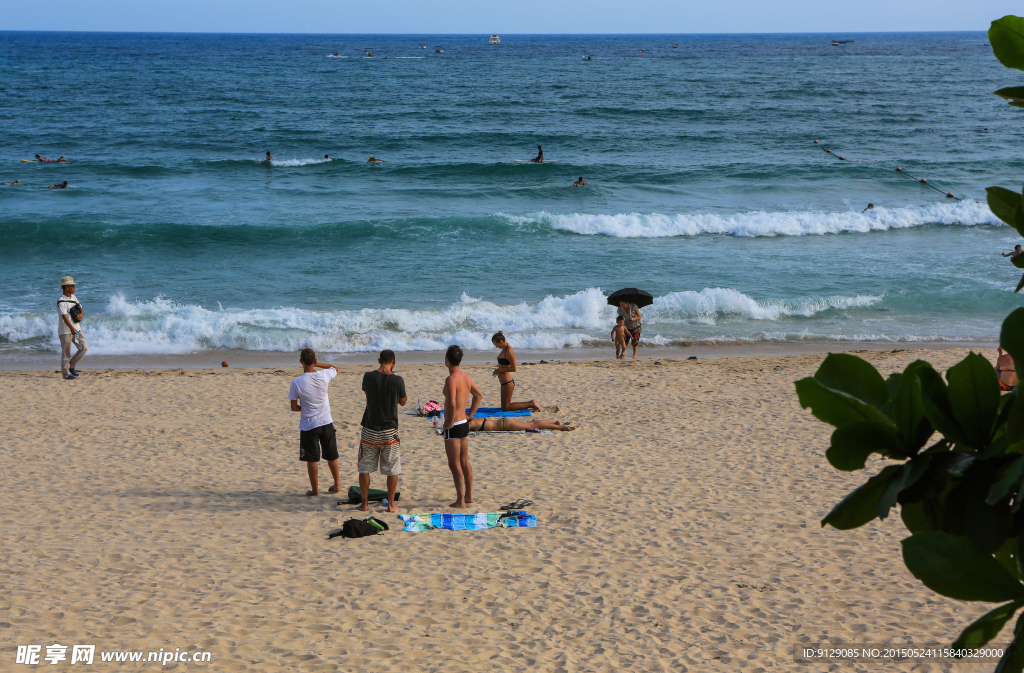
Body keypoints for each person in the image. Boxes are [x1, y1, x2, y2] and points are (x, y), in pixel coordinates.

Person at [358, 349, 407, 512]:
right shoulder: (397, 380)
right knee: (392, 468)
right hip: (389, 430)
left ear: (379, 360)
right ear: (394, 361)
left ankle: (364, 503)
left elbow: (366, 392)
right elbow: (403, 402)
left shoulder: (368, 376)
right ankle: (391, 504)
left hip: (370, 428)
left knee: (365, 468)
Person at [288, 348, 341, 496]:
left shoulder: (297, 382)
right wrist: (319, 365)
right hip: (326, 421)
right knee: (331, 455)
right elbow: (335, 368)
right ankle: (337, 484)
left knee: (312, 459)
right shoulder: (324, 375)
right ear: (314, 361)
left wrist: (304, 408)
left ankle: (315, 490)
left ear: (301, 362)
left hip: (309, 425)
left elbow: (293, 407)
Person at [442, 345, 483, 508]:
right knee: (464, 460)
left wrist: (449, 422)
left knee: (454, 463)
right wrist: (470, 415)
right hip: (464, 423)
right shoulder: (465, 376)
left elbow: (451, 403)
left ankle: (460, 500)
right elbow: (478, 395)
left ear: (446, 360)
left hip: (454, 424)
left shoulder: (451, 379)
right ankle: (469, 496)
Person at [490, 331, 541, 411]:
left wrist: (499, 370)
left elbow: (514, 368)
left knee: (506, 408)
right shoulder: (504, 348)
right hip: (504, 383)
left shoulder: (509, 350)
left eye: (496, 345)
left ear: (501, 342)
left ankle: (531, 404)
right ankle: (531, 403)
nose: (496, 347)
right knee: (505, 407)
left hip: (508, 383)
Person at [57, 276, 87, 380]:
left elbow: (81, 308)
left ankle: (72, 366)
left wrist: (81, 314)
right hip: (66, 332)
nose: (74, 287)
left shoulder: (74, 298)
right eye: (72, 286)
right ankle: (66, 374)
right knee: (66, 353)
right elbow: (64, 317)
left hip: (76, 331)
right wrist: (71, 328)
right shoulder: (61, 301)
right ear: (67, 288)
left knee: (83, 347)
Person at [468, 416, 574, 432]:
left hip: (506, 425)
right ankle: (555, 422)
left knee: (533, 426)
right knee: (532, 423)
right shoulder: (475, 419)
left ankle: (560, 427)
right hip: (504, 422)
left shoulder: (472, 423)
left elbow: (463, 428)